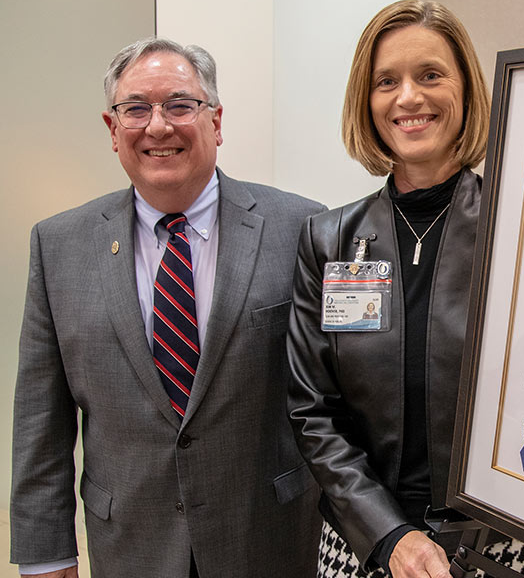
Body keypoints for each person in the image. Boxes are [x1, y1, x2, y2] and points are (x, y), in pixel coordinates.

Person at [10, 37, 324, 577]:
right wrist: (47, 554)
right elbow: (42, 418)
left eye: (180, 104)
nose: (158, 126)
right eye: (136, 108)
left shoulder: (303, 229)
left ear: (216, 122)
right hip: (132, 544)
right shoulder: (58, 246)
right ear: (113, 130)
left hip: (269, 540)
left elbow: (336, 400)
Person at [287, 0, 524, 578]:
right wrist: (390, 536)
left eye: (430, 75)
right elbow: (313, 411)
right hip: (364, 546)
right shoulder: (329, 240)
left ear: (466, 90)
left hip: (495, 546)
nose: (409, 97)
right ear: (367, 99)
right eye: (387, 81)